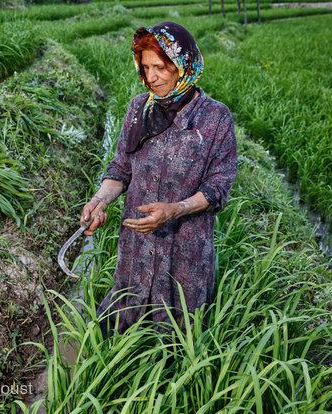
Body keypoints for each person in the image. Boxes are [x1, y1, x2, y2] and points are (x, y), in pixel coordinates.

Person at [81, 21, 237, 339]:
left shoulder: (215, 118)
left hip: (185, 253)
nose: (150, 78)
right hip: (136, 249)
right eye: (146, 67)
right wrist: (100, 200)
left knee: (178, 339)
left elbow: (219, 186)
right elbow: (121, 169)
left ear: (182, 66)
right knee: (120, 329)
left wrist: (175, 209)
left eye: (160, 68)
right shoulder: (139, 110)